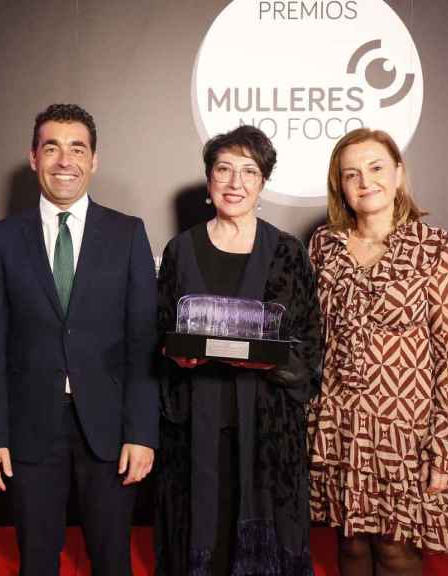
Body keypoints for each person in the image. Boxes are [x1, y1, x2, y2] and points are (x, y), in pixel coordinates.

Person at [0, 103, 158, 575]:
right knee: (36, 561)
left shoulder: (128, 233)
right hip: (30, 428)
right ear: (33, 156)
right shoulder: (1, 238)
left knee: (112, 561)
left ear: (94, 160)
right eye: (51, 147)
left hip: (111, 429)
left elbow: (143, 344)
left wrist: (141, 432)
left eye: (77, 148)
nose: (64, 160)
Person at [153, 125, 323, 575]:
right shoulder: (179, 251)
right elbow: (158, 335)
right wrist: (176, 355)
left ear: (263, 183)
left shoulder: (288, 253)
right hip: (194, 430)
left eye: (249, 171)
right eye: (223, 170)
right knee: (201, 535)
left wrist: (271, 360)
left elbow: (310, 344)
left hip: (269, 436)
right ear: (209, 181)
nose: (235, 182)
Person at [307, 128, 448, 575]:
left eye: (376, 168)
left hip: (407, 430)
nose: (365, 181)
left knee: (397, 552)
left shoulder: (433, 246)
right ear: (339, 184)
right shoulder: (324, 246)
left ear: (398, 173)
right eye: (351, 173)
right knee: (351, 546)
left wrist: (446, 444)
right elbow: (314, 340)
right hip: (340, 422)